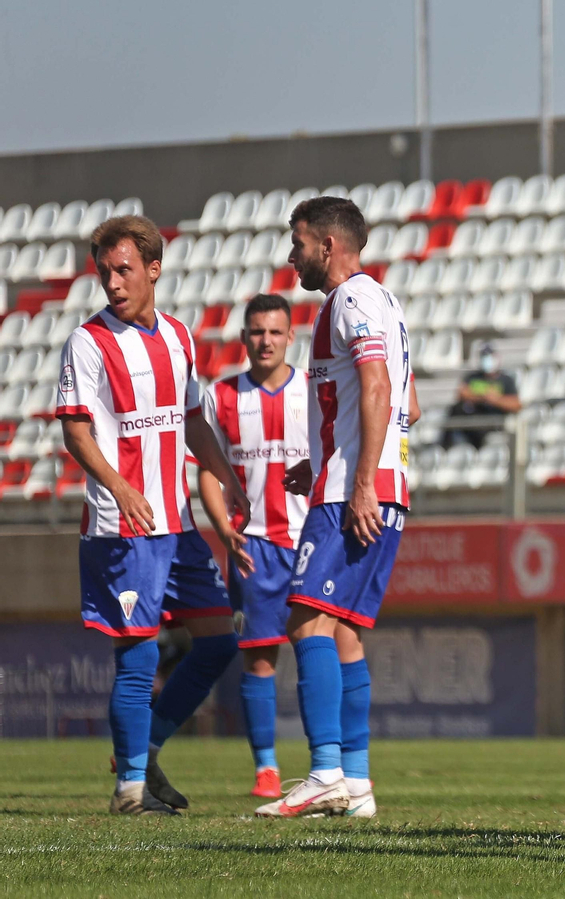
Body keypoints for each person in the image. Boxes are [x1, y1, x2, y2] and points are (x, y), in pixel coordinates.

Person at [55, 215, 250, 815]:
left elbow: (192, 420)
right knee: (137, 658)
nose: (113, 282)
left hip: (179, 524)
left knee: (218, 642)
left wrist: (226, 473)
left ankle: (148, 748)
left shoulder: (179, 337)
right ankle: (130, 791)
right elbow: (75, 432)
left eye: (124, 269)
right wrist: (117, 487)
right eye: (105, 272)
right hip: (125, 527)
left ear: (153, 269)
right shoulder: (88, 343)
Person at [254, 197, 411, 820]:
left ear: (326, 244)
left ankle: (324, 772)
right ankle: (359, 782)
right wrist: (323, 464)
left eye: (297, 243)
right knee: (342, 632)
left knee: (304, 623)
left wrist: (359, 479)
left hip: (356, 493)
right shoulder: (384, 303)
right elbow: (407, 404)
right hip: (370, 483)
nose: (291, 255)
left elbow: (377, 387)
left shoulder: (351, 300)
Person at [196, 292, 308, 802]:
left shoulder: (312, 390)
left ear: (290, 337)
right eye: (256, 332)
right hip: (253, 546)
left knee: (320, 651)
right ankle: (266, 767)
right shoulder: (220, 398)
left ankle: (333, 765)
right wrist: (223, 529)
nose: (265, 341)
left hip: (312, 541)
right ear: (244, 337)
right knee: (260, 660)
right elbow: (205, 471)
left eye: (274, 332)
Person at [446, 343, 519, 448]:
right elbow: (462, 393)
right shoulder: (473, 377)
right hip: (474, 418)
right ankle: (447, 446)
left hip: (495, 421)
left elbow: (516, 404)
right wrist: (483, 397)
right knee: (456, 410)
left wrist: (496, 400)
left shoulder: (506, 380)